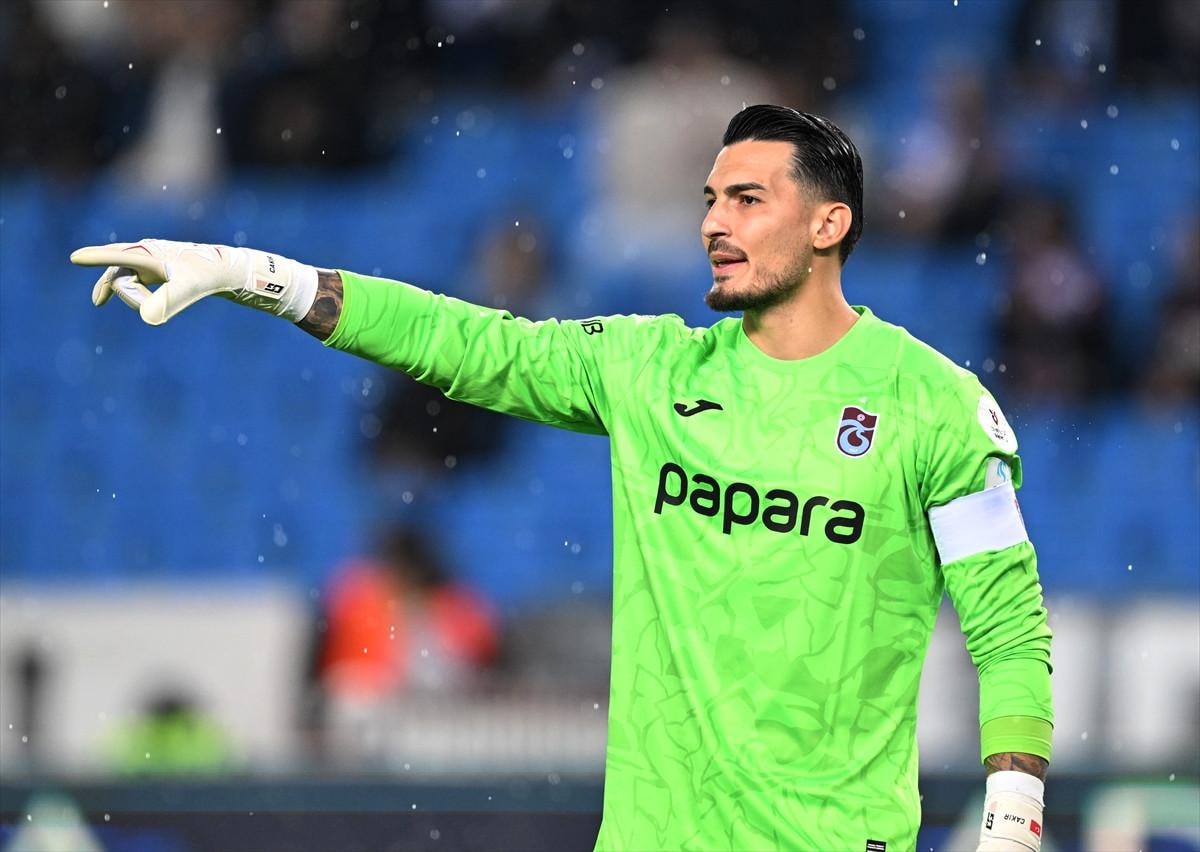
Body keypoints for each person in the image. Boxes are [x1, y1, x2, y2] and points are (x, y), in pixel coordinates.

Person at [72, 105, 1053, 852]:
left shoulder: (933, 407)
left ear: (830, 223)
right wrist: (253, 274)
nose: (715, 222)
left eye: (748, 200)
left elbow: (1007, 626)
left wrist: (1012, 818)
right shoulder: (650, 370)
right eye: (710, 199)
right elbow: (464, 342)